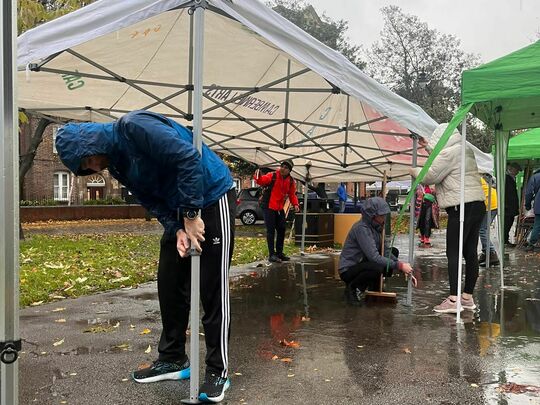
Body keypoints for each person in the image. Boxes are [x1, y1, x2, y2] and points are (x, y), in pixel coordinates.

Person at [56, 110, 235, 403]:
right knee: (169, 279)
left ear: (90, 142)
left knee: (212, 287)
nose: (93, 167)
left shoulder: (134, 127)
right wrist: (177, 227)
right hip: (181, 209)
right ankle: (173, 359)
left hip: (212, 196)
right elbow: (148, 197)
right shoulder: (117, 165)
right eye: (86, 167)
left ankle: (218, 370)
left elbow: (188, 158)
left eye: (88, 159)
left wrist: (191, 214)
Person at [410, 123, 485, 314]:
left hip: (461, 206)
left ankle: (453, 300)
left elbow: (429, 175)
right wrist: (428, 147)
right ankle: (467, 298)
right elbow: (443, 158)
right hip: (477, 204)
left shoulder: (450, 153)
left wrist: (413, 170)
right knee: (470, 252)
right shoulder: (464, 148)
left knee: (453, 252)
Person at [338, 197, 413, 303]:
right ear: (372, 215)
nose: (384, 218)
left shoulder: (376, 227)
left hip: (363, 263)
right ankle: (353, 288)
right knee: (377, 266)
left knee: (393, 252)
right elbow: (374, 256)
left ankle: (375, 285)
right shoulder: (362, 229)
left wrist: (400, 265)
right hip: (349, 269)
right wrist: (399, 266)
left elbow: (385, 251)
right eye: (381, 216)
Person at [254, 160, 300, 263]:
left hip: (279, 207)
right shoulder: (273, 175)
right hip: (268, 206)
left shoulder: (291, 181)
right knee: (270, 230)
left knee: (282, 229)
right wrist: (258, 174)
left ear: (289, 171)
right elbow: (261, 180)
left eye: (286, 168)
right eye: (282, 166)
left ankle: (279, 253)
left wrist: (295, 204)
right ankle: (271, 255)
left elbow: (292, 194)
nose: (282, 169)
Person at [479, 175, 499, 266]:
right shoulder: (486, 177)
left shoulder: (477, 177)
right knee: (484, 229)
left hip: (489, 205)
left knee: (483, 230)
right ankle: (485, 253)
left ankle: (492, 253)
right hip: (492, 203)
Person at [504, 162, 521, 246]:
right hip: (508, 206)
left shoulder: (510, 178)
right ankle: (505, 240)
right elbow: (509, 194)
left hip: (510, 206)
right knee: (507, 223)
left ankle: (505, 240)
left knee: (509, 223)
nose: (517, 172)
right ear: (511, 169)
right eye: (517, 170)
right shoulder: (507, 179)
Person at [524, 168, 540, 251]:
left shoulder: (535, 177)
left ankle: (531, 244)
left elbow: (529, 193)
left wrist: (528, 205)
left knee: (537, 225)